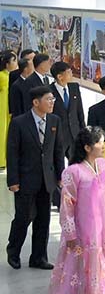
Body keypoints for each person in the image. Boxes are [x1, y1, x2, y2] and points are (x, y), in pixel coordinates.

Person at [41, 126, 105, 294]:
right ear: (87, 147)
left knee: (103, 269)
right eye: (99, 143)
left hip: (103, 228)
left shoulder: (103, 165)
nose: (103, 146)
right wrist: (70, 234)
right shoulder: (73, 172)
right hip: (83, 231)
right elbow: (67, 205)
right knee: (79, 273)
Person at [6, 86, 64, 270]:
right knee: (23, 218)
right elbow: (12, 153)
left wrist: (60, 176)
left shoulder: (54, 121)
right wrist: (13, 180)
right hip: (25, 179)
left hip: (47, 179)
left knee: (43, 220)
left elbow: (58, 150)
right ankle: (13, 252)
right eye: (48, 99)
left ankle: (38, 257)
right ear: (36, 102)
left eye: (53, 99)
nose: (52, 102)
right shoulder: (19, 122)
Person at [50, 60, 85, 161]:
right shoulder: (49, 91)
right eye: (68, 72)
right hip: (58, 135)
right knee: (58, 163)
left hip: (74, 134)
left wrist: (83, 131)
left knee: (76, 162)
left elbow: (79, 111)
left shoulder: (74, 87)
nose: (71, 74)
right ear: (60, 76)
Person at [9, 50, 36, 117]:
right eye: (32, 66)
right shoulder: (16, 85)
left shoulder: (32, 82)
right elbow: (16, 107)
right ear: (26, 69)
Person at [0, 51, 16, 168]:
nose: (16, 64)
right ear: (7, 64)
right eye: (14, 61)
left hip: (7, 109)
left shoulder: (9, 76)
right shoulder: (2, 76)